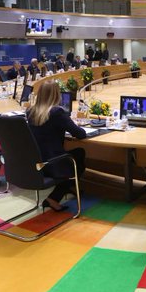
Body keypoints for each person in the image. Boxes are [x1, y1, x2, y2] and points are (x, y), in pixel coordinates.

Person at [27, 81, 87, 212]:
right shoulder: (57, 112)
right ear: (56, 95)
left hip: (36, 163)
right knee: (79, 154)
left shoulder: (30, 111)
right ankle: (55, 196)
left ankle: (67, 186)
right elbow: (80, 134)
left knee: (72, 154)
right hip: (53, 164)